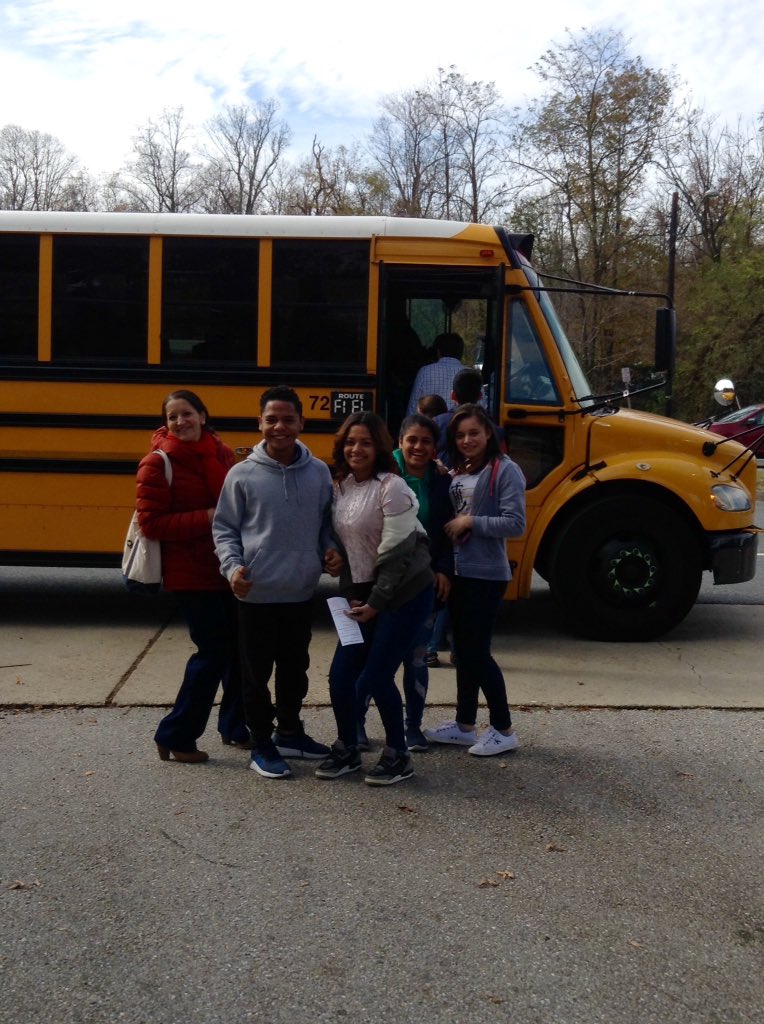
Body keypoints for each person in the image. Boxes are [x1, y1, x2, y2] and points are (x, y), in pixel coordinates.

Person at [213, 385, 341, 780]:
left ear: (302, 422)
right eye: (271, 420)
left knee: (294, 669)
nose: (280, 427)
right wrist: (233, 568)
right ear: (260, 423)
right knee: (255, 675)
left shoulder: (319, 471)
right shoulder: (242, 474)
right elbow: (225, 530)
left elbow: (325, 524)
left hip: (300, 591)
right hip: (256, 593)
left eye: (288, 419)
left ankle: (290, 732)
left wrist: (330, 550)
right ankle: (262, 744)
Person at [315, 412, 435, 786]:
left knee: (378, 674)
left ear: (379, 447)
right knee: (340, 676)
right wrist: (331, 551)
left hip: (403, 593)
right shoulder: (341, 486)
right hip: (360, 592)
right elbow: (332, 533)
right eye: (350, 442)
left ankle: (398, 755)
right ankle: (347, 748)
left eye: (365, 442)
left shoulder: (392, 486)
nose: (356, 449)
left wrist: (376, 604)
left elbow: (397, 554)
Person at [136, 389, 248, 764]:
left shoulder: (221, 453)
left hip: (226, 567)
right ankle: (176, 734)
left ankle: (235, 726)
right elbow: (151, 523)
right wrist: (208, 517)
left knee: (239, 651)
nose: (180, 422)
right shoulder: (158, 462)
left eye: (187, 414)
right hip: (190, 574)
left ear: (202, 415)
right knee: (213, 652)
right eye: (173, 417)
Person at [424, 404, 526, 757]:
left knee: (477, 653)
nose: (467, 440)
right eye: (460, 434)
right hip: (457, 572)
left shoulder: (505, 471)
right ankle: (465, 725)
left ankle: (503, 728)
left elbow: (515, 523)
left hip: (485, 573)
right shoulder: (457, 469)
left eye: (474, 433)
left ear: (489, 435)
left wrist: (471, 522)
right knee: (462, 654)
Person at [406, 332, 465, 415]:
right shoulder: (472, 375)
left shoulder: (425, 372)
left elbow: (413, 408)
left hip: (432, 427)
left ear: (438, 352)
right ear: (461, 352)